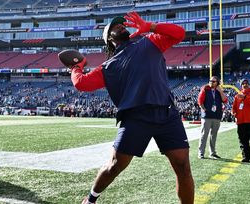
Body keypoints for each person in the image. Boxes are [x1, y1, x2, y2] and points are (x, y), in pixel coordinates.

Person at [69, 12, 194, 204]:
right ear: (109, 39)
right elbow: (81, 83)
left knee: (183, 166)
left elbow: (179, 33)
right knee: (115, 166)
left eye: (121, 24)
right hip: (135, 118)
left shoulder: (148, 41)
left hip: (166, 113)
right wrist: (76, 67)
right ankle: (91, 199)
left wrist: (150, 26)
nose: (120, 26)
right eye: (114, 27)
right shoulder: (108, 66)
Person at [197, 76, 227, 160]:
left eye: (213, 81)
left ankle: (212, 153)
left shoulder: (218, 91)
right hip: (207, 116)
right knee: (204, 135)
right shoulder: (205, 89)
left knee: (214, 135)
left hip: (216, 116)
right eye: (210, 81)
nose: (211, 82)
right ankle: (201, 153)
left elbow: (225, 100)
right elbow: (200, 101)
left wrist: (220, 91)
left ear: (217, 83)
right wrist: (204, 109)